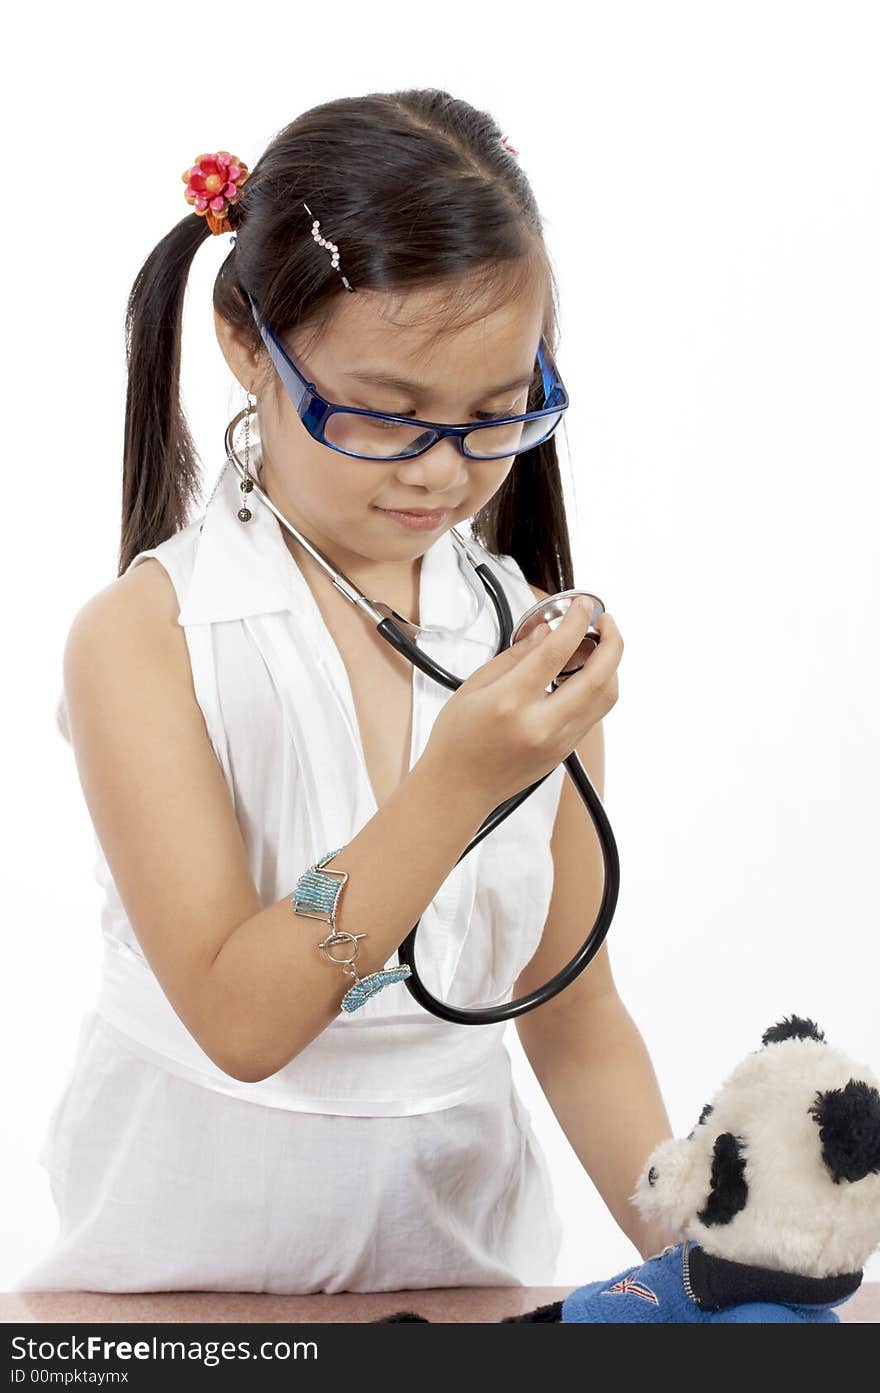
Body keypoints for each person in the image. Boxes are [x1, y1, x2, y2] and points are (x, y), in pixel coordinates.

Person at [15, 88, 675, 1296]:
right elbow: (242, 1022)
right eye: (387, 413)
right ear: (243, 342)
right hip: (168, 1291)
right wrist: (460, 780)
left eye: (494, 415)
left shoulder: (526, 641)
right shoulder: (145, 640)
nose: (443, 471)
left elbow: (569, 1010)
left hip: (459, 1286)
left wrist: (705, 1267)